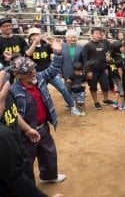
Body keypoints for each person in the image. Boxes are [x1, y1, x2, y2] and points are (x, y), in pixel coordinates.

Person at [9, 37, 66, 185]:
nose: (33, 72)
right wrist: (27, 130)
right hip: (25, 134)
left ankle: (48, 177)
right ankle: (29, 188)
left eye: (33, 68)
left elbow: (53, 70)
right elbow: (13, 114)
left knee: (49, 154)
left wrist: (58, 53)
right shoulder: (13, 91)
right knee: (27, 161)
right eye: (28, 71)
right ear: (18, 75)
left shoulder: (39, 78)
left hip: (43, 127)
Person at [0, 71, 63, 197]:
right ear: (18, 75)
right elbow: (17, 181)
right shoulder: (3, 136)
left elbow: (14, 113)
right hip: (8, 151)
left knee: (27, 172)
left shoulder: (6, 94)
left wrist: (27, 129)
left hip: (18, 145)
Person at [25, 27, 76, 114]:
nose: (35, 37)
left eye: (37, 34)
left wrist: (53, 42)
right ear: (29, 37)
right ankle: (44, 111)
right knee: (41, 93)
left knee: (63, 88)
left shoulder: (45, 45)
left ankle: (72, 106)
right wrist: (34, 43)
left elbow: (56, 51)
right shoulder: (28, 47)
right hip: (37, 74)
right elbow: (28, 54)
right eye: (33, 35)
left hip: (50, 71)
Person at [81, 27, 113, 110]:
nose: (98, 35)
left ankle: (105, 100)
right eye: (96, 33)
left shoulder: (102, 45)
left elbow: (104, 58)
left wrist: (106, 68)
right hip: (92, 71)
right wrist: (88, 71)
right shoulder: (87, 46)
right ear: (91, 34)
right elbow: (85, 59)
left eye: (99, 34)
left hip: (102, 70)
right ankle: (96, 102)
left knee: (106, 86)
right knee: (93, 87)